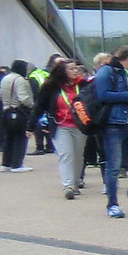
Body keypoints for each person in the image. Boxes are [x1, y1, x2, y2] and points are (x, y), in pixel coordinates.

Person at [92, 47, 128, 218]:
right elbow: (103, 95)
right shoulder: (106, 72)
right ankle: (112, 204)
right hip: (113, 124)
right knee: (114, 166)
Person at [51, 61, 89, 198]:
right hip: (61, 125)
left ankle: (76, 180)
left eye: (76, 68)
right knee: (66, 154)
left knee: (78, 155)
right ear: (63, 72)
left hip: (79, 125)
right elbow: (41, 104)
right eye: (71, 69)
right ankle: (68, 185)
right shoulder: (52, 87)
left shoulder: (83, 85)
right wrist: (31, 125)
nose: (75, 71)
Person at [0, 59, 35, 171]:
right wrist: (31, 105)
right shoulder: (20, 80)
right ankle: (17, 164)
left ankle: (6, 163)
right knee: (21, 137)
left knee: (9, 138)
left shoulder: (5, 78)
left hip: (6, 111)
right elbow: (23, 97)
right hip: (18, 111)